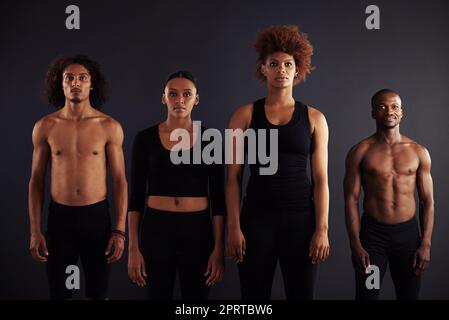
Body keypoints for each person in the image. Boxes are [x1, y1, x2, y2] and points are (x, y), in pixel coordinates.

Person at [226, 25, 330, 300]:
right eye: (274, 64)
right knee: (254, 299)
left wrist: (322, 229)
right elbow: (233, 178)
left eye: (288, 64)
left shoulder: (315, 118)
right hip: (256, 220)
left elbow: (321, 181)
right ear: (263, 68)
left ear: (298, 70)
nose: (281, 70)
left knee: (301, 295)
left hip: (301, 221)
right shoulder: (244, 115)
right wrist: (234, 227)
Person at [28, 55, 128, 299]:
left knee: (98, 294)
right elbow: (37, 181)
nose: (75, 83)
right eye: (69, 78)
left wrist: (119, 230)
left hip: (96, 220)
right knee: (60, 294)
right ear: (60, 83)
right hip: (60, 220)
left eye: (82, 78)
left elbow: (119, 181)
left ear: (91, 84)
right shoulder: (45, 126)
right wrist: (34, 230)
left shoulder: (109, 126)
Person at [127, 71, 226, 300]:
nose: (179, 100)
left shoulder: (211, 139)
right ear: (164, 98)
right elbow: (136, 196)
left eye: (186, 94)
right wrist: (133, 248)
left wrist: (218, 248)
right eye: (173, 94)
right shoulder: (145, 139)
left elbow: (218, 200)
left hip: (198, 232)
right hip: (156, 230)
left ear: (196, 99)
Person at [344, 89, 434, 300]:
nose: (389, 111)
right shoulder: (361, 151)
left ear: (402, 112)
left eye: (394, 106)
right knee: (368, 294)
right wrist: (355, 244)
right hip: (373, 240)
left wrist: (426, 244)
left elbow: (427, 201)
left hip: (408, 238)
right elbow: (351, 200)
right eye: (382, 106)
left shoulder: (418, 151)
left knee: (408, 296)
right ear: (373, 112)